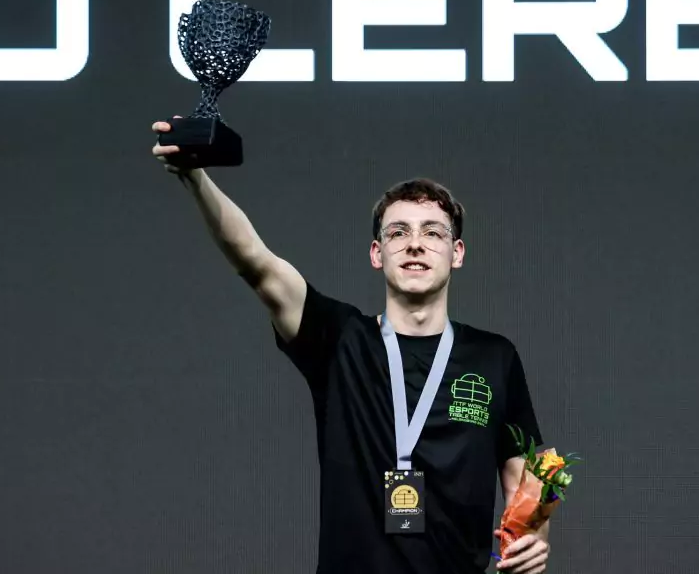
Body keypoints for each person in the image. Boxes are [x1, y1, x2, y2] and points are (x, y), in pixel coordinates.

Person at [152, 118, 552, 574]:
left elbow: (532, 466)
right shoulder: (340, 339)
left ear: (457, 253)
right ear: (376, 253)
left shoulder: (494, 356)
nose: (415, 245)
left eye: (433, 233)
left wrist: (534, 537)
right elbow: (255, 261)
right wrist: (196, 178)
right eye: (398, 233)